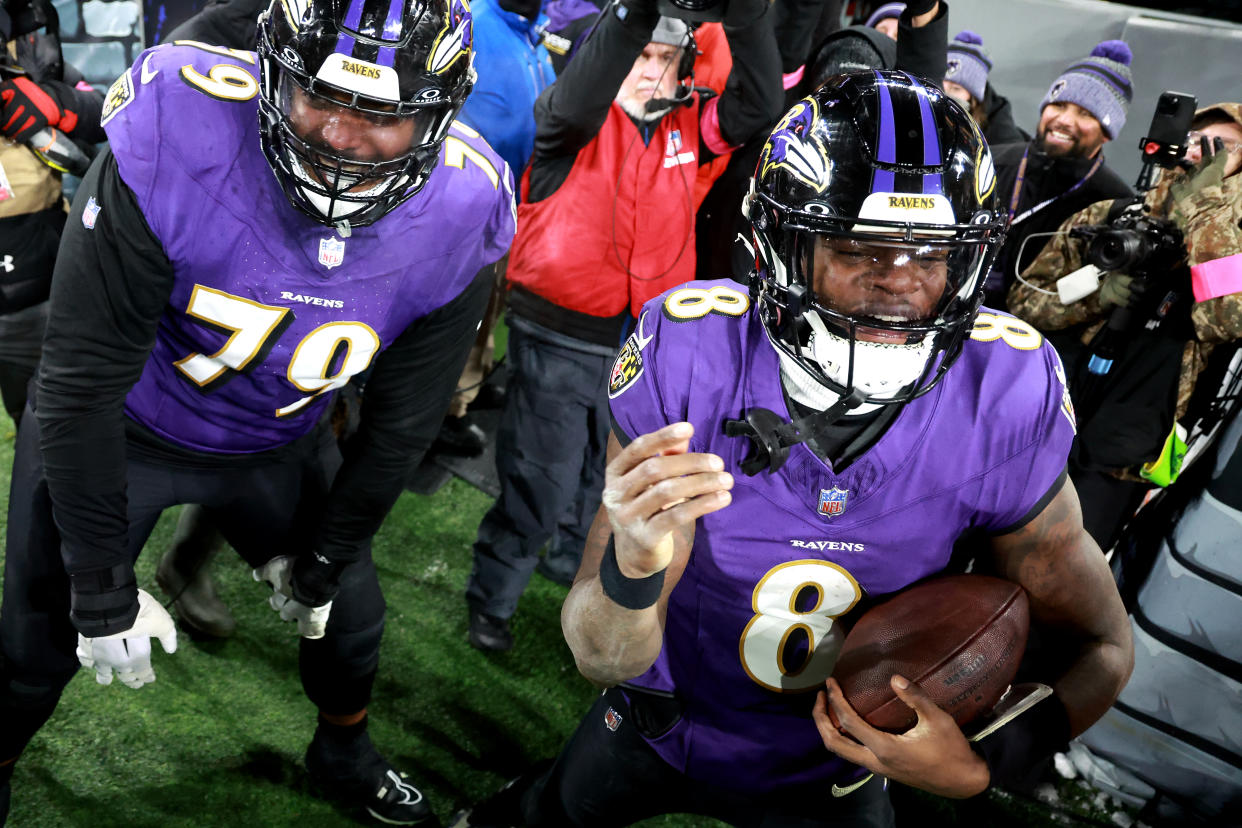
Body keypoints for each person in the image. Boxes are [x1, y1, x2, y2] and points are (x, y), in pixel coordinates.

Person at [454, 71, 1134, 827]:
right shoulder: (692, 353)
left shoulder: (1003, 390)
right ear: (784, 247)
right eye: (860, 247)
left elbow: (1101, 645)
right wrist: (634, 571)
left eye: (930, 253)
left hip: (840, 758)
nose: (900, 284)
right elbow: (602, 658)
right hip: (664, 718)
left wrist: (982, 768)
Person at [0, 0, 515, 825]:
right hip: (128, 429)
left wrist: (329, 554)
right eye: (319, 95)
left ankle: (342, 749)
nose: (343, 137)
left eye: (383, 112)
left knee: (349, 622)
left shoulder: (464, 203)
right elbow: (78, 381)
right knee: (35, 647)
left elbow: (403, 419)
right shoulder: (178, 122)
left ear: (438, 112)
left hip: (279, 440)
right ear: (269, 71)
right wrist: (99, 587)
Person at [463, 0, 782, 652]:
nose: (652, 73)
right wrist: (636, 13)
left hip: (642, 346)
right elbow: (581, 97)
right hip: (557, 332)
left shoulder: (690, 130)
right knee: (538, 477)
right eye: (641, 57)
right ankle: (492, 598)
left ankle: (563, 567)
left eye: (666, 61)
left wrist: (748, 17)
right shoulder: (568, 124)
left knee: (604, 481)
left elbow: (760, 106)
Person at [1009, 103, 1242, 552]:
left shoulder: (1234, 250)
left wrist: (1208, 209)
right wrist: (1095, 296)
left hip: (1122, 461)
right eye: (1196, 141)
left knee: (1061, 579)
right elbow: (1024, 305)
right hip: (1041, 426)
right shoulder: (1113, 215)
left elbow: (1227, 318)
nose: (1202, 153)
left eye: (1224, 146)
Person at [433, 0, 557, 458]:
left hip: (511, 202)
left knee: (489, 305)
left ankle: (470, 386)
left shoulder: (533, 28)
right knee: (457, 311)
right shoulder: (474, 21)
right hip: (463, 203)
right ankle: (443, 414)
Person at [0, 0, 104, 428]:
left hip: (32, 277)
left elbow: (102, 114)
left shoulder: (24, 42)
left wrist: (53, 104)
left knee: (43, 418)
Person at [984, 40, 1134, 310]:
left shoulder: (1113, 202)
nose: (1064, 120)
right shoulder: (989, 161)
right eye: (1059, 105)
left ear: (1107, 133)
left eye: (1086, 113)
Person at [942, 30, 1027, 145]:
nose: (944, 93)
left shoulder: (1000, 129)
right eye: (940, 85)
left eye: (956, 88)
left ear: (974, 99)